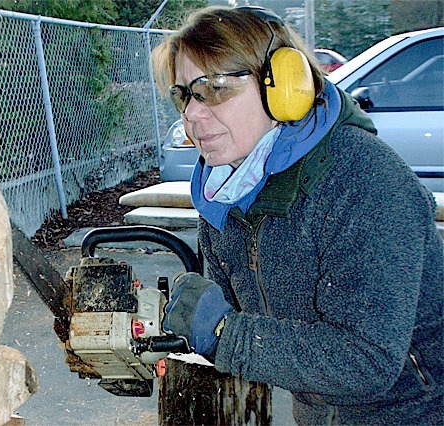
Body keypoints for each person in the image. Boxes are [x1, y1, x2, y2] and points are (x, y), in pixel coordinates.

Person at [153, 6, 443, 425]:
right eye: (184, 95)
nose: (192, 116)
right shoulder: (224, 193)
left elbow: (367, 361)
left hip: (414, 412)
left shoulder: (363, 182)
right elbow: (238, 322)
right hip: (318, 413)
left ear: (284, 88)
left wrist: (223, 333)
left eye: (214, 89)